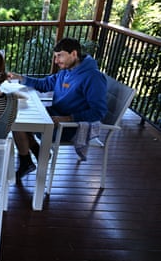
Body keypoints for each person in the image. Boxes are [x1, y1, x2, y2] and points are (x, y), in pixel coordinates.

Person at [9, 37, 107, 179]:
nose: (56, 61)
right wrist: (20, 77)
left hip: (69, 126)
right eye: (55, 56)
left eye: (59, 56)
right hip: (54, 116)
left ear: (73, 54)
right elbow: (44, 84)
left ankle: (31, 159)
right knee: (17, 117)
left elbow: (99, 112)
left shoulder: (93, 77)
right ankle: (36, 155)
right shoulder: (66, 71)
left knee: (19, 124)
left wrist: (67, 118)